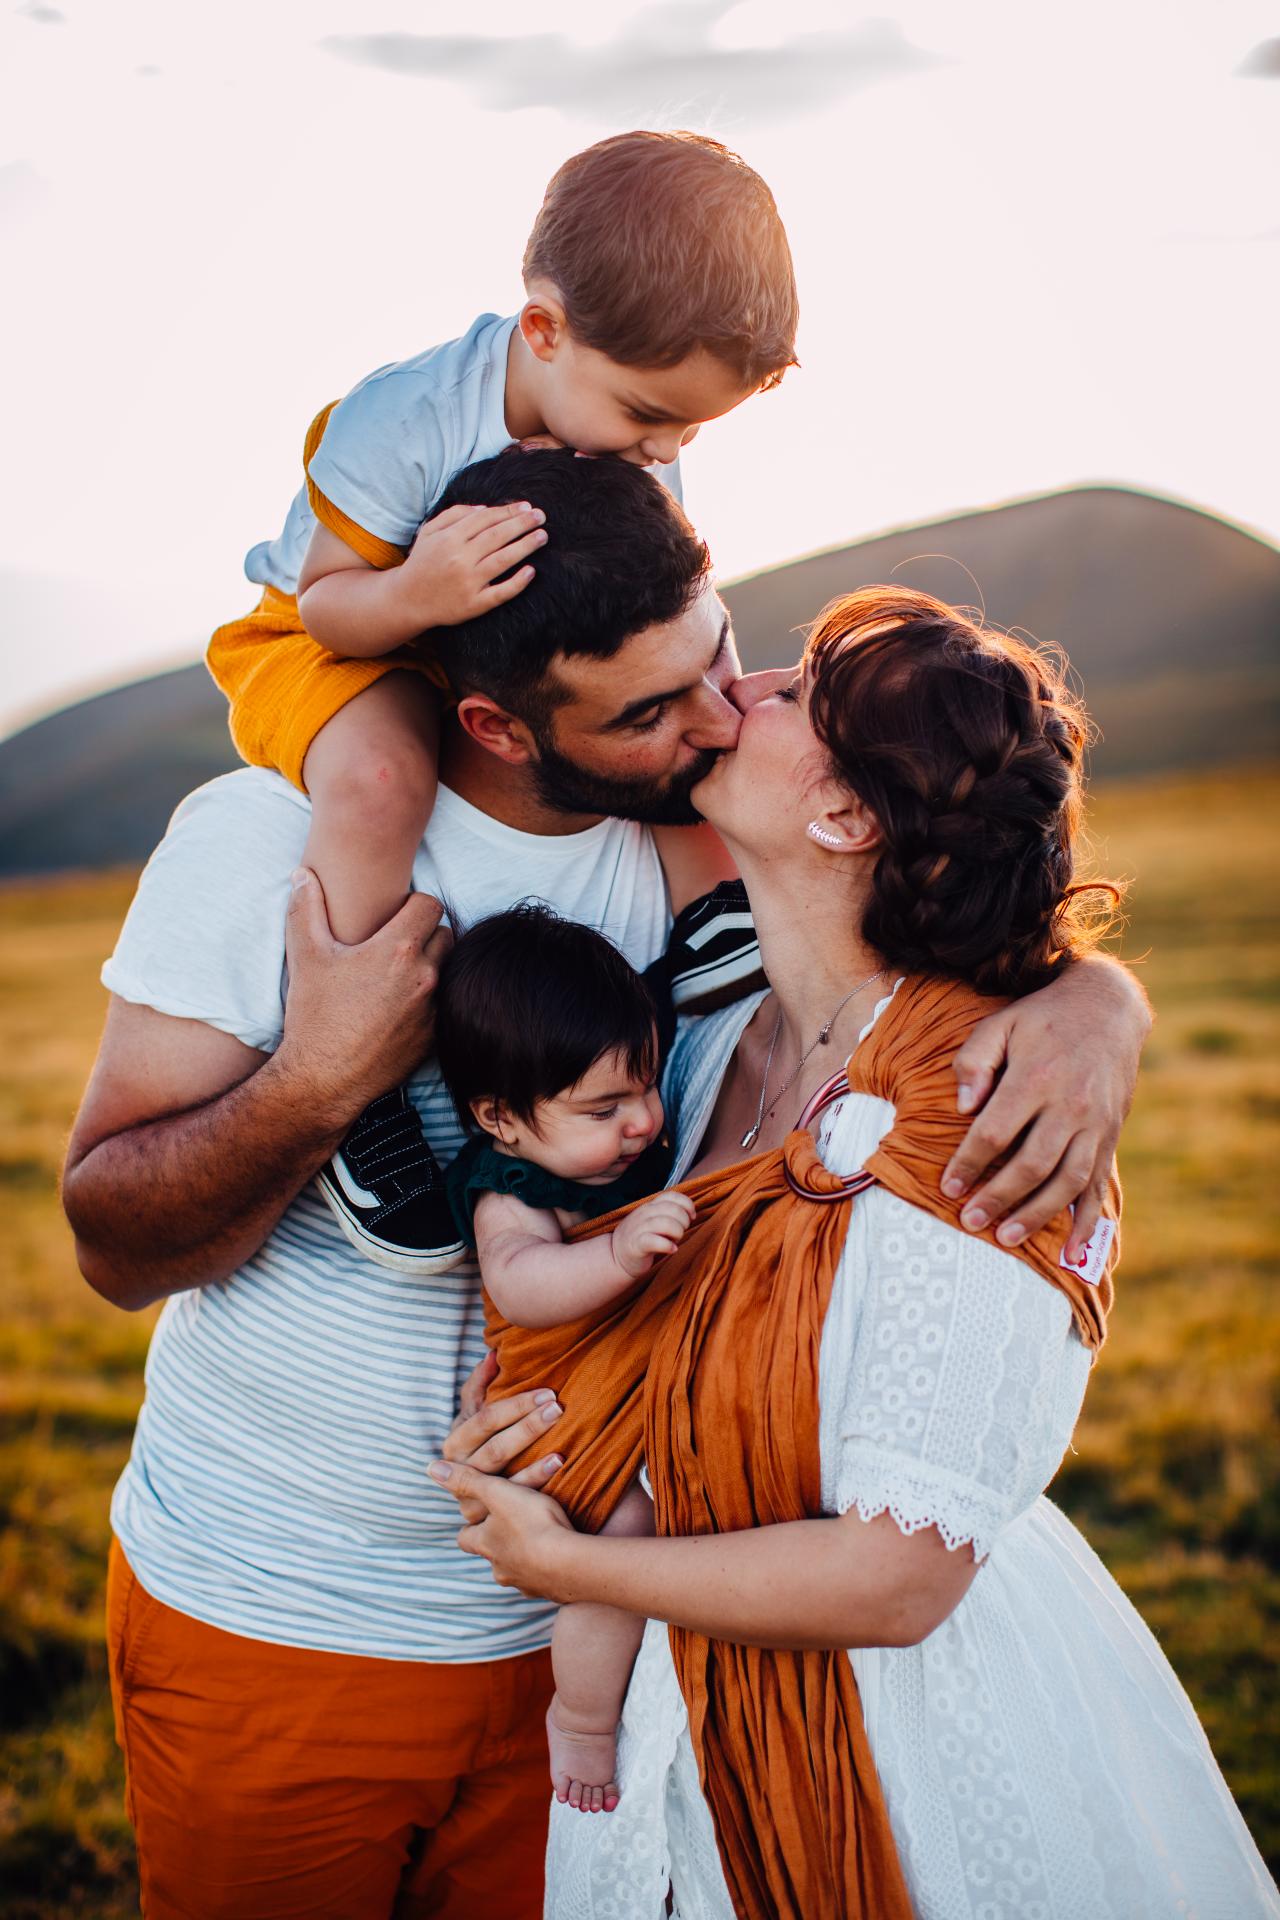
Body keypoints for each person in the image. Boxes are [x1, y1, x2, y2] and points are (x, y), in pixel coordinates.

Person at [62, 452, 1150, 1920]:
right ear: (502, 721)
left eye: (724, 662)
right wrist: (320, 1077)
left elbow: (926, 918)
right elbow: (115, 1248)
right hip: (289, 1618)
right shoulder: (268, 844)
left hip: (602, 1659)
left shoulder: (703, 862)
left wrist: (1094, 1005)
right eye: (653, 708)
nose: (714, 712)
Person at [433, 587, 1278, 1919]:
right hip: (678, 1707)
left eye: (798, 693)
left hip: (900, 1738)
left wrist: (565, 1564)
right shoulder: (711, 1037)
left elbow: (897, 1580)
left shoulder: (990, 1108)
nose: (747, 683)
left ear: (845, 818)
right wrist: (543, 1441)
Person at [205, 129, 796, 1273]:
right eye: (645, 418)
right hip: (345, 633)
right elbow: (326, 604)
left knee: (665, 714)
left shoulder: (625, 424)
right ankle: (356, 1071)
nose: (662, 451)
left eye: (688, 433)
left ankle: (713, 921)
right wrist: (420, 590)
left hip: (489, 659)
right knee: (383, 778)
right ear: (543, 330)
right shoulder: (406, 415)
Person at [436, 905, 696, 1813]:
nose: (640, 1123)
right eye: (603, 1108)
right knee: (621, 1536)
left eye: (647, 1089)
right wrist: (618, 1256)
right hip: (560, 1407)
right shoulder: (511, 1188)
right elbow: (520, 1288)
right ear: (500, 1118)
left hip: (635, 1391)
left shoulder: (618, 1149)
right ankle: (582, 1722)